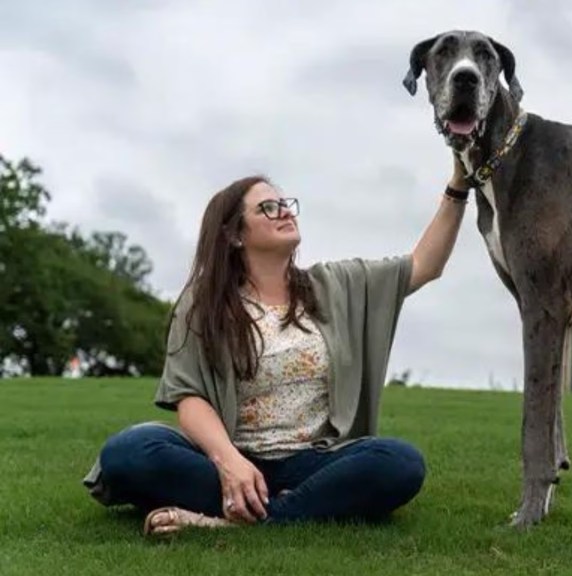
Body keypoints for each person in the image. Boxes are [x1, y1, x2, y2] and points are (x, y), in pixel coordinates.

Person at [82, 157, 470, 535]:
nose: (284, 211)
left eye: (285, 203)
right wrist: (229, 462)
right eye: (267, 208)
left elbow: (424, 265)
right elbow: (189, 398)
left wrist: (458, 186)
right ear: (234, 235)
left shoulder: (335, 285)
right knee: (127, 452)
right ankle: (286, 507)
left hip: (314, 462)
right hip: (229, 460)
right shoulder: (203, 303)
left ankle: (238, 520)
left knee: (400, 462)